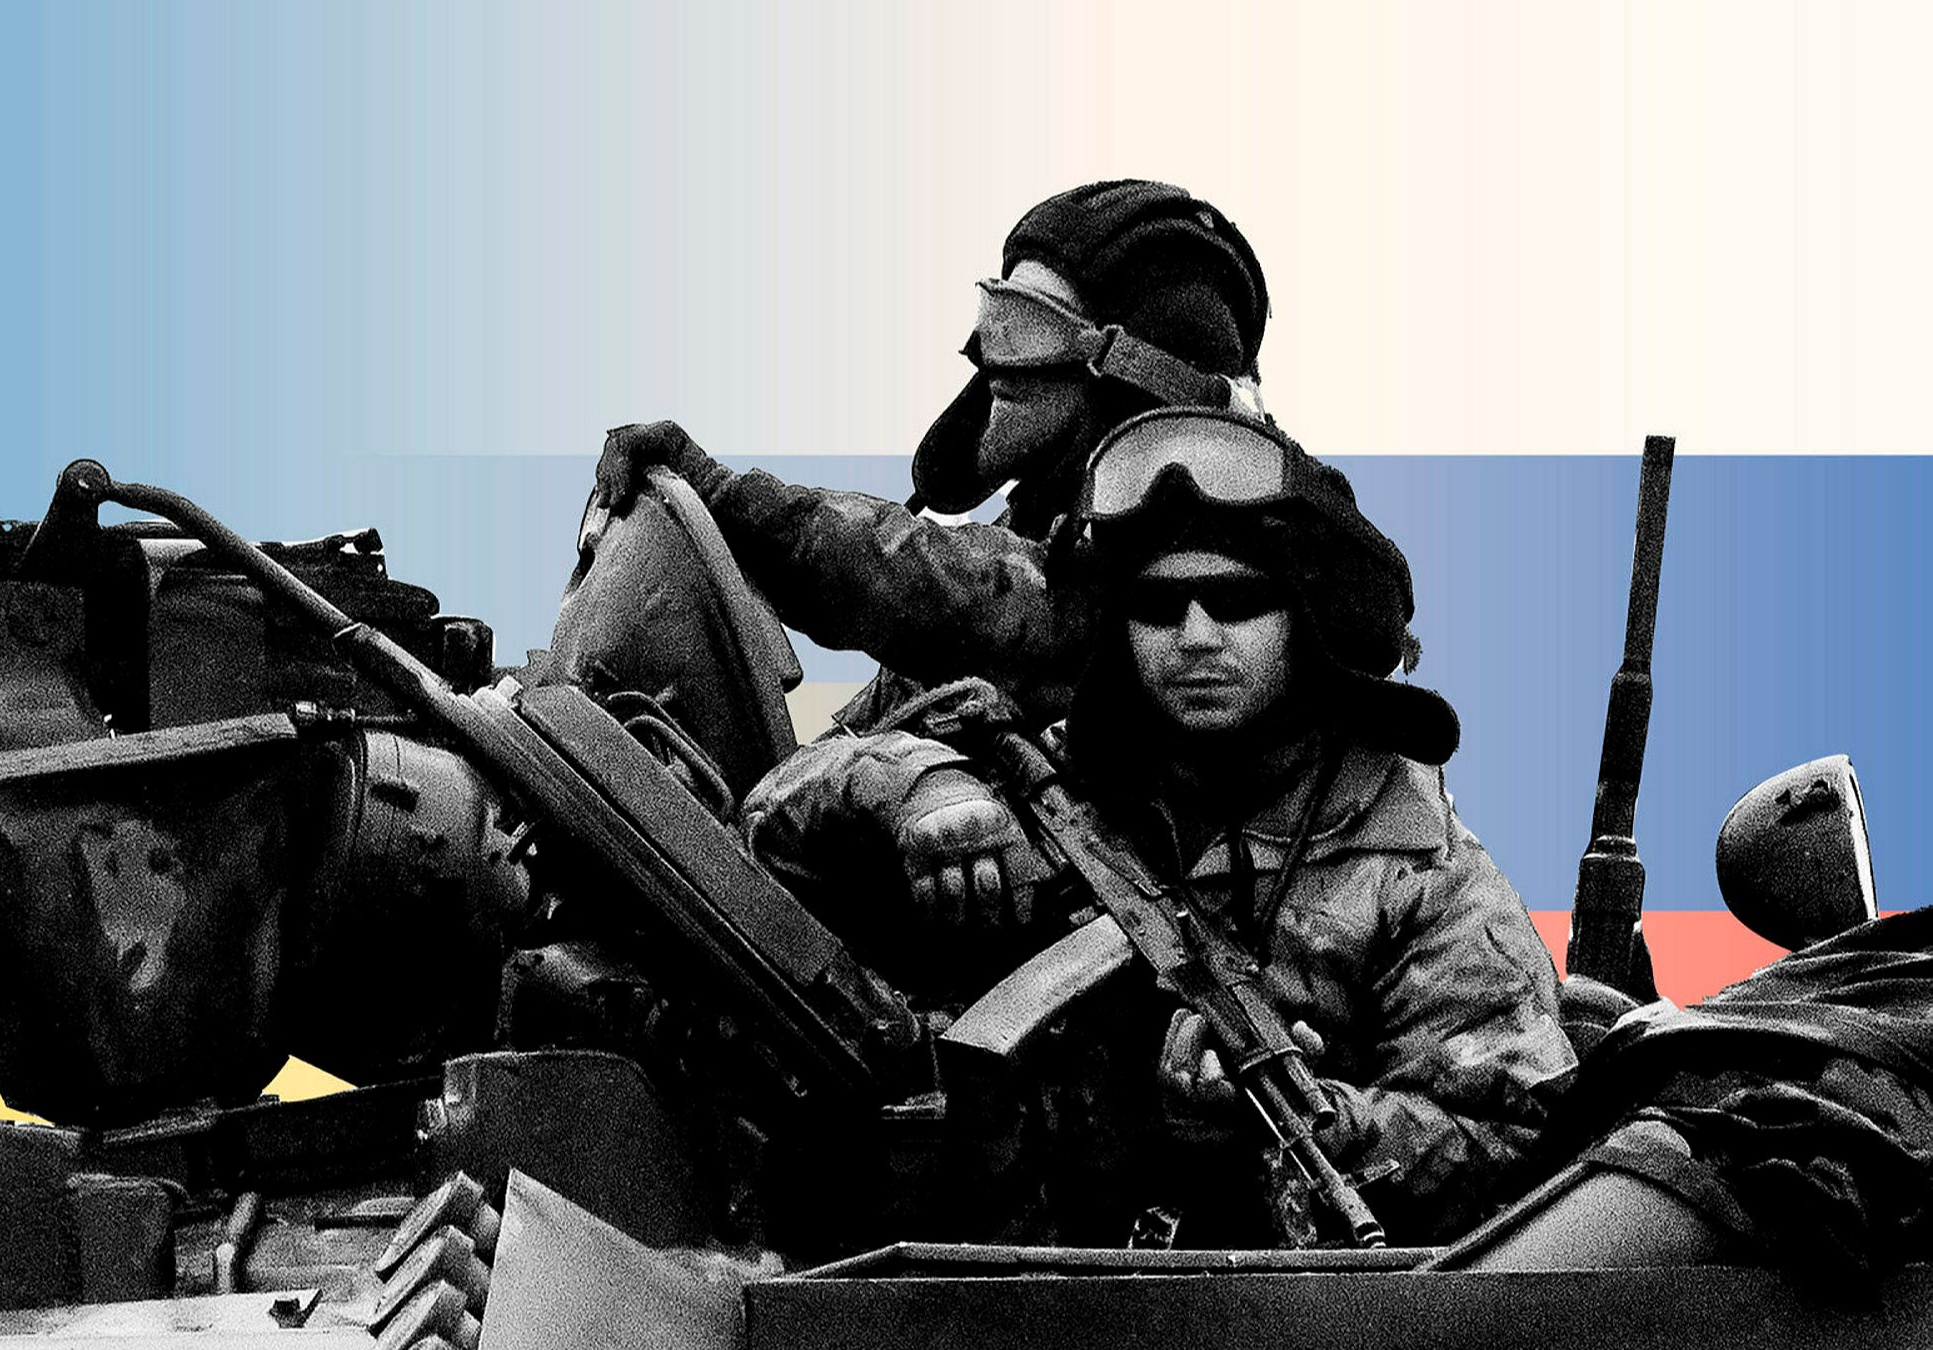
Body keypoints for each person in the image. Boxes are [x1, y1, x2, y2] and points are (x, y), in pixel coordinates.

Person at [741, 409, 1575, 1247]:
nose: (1195, 637)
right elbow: (763, 830)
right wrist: (914, 787)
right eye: (1158, 605)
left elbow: (1517, 1145)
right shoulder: (1053, 783)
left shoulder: (1419, 871)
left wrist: (1310, 1122)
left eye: (1238, 602)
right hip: (997, 1281)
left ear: (1307, 619)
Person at [596, 179, 1270, 731]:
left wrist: (722, 493)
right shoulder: (1030, 538)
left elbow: (931, 583)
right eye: (996, 317)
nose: (993, 362)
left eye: (1028, 328)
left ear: (1131, 377)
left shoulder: (1161, 582)